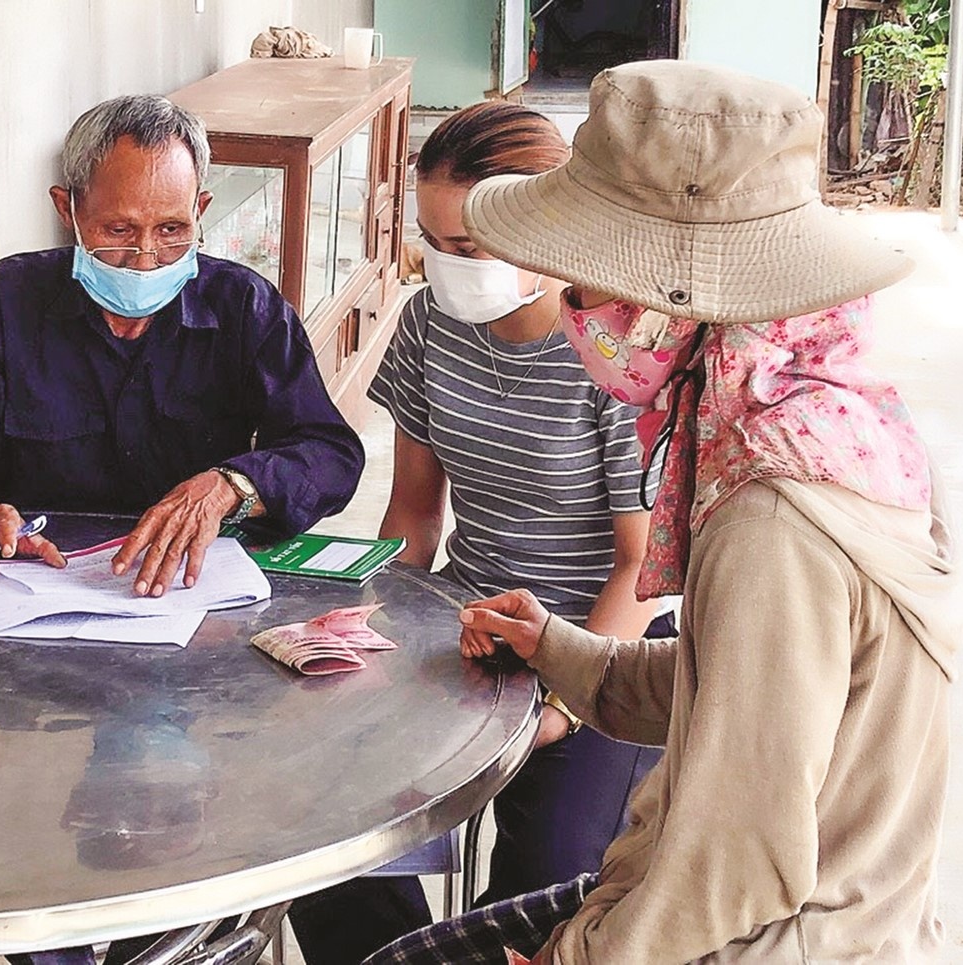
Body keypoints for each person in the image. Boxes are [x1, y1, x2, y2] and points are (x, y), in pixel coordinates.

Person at [368, 60, 958, 964]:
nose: (575, 312)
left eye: (587, 283)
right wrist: (564, 653)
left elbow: (742, 857)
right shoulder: (833, 419)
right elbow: (733, 683)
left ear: (672, 302)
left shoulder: (774, 522)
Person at [287, 102, 667, 965]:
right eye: (432, 242)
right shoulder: (427, 326)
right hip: (471, 623)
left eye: (471, 247)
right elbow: (415, 518)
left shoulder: (615, 351)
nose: (447, 269)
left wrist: (568, 704)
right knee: (321, 824)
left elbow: (638, 568)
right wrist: (362, 625)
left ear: (550, 226)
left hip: (603, 643)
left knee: (547, 888)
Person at [0, 94, 364, 595]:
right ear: (67, 209)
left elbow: (329, 454)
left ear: (201, 209)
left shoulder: (244, 307)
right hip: (33, 587)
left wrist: (232, 486)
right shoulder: (5, 302)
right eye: (119, 230)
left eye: (173, 229)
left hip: (192, 593)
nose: (146, 257)